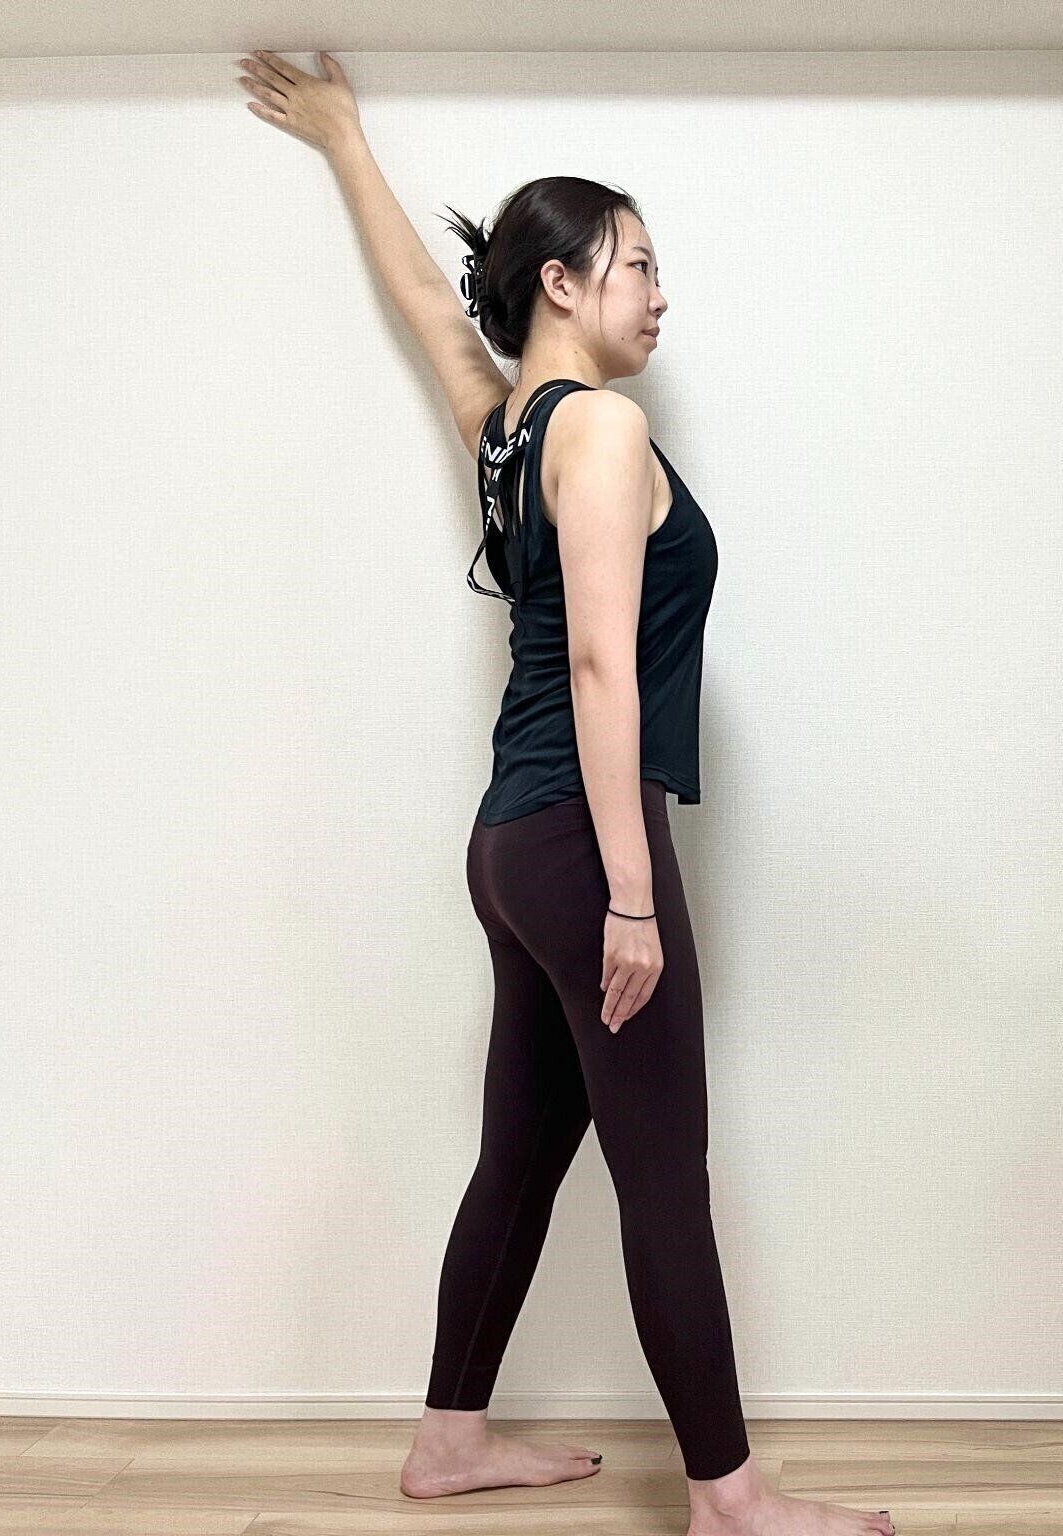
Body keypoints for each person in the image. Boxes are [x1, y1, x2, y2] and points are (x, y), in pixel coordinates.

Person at [237, 49, 896, 1536]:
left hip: (511, 839)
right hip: (582, 845)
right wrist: (634, 897)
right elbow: (603, 668)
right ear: (560, 281)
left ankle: (448, 1443)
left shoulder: (508, 429)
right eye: (638, 265)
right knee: (663, 1170)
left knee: (526, 1152)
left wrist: (345, 141)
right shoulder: (595, 428)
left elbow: (433, 306)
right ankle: (730, 1498)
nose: (661, 295)